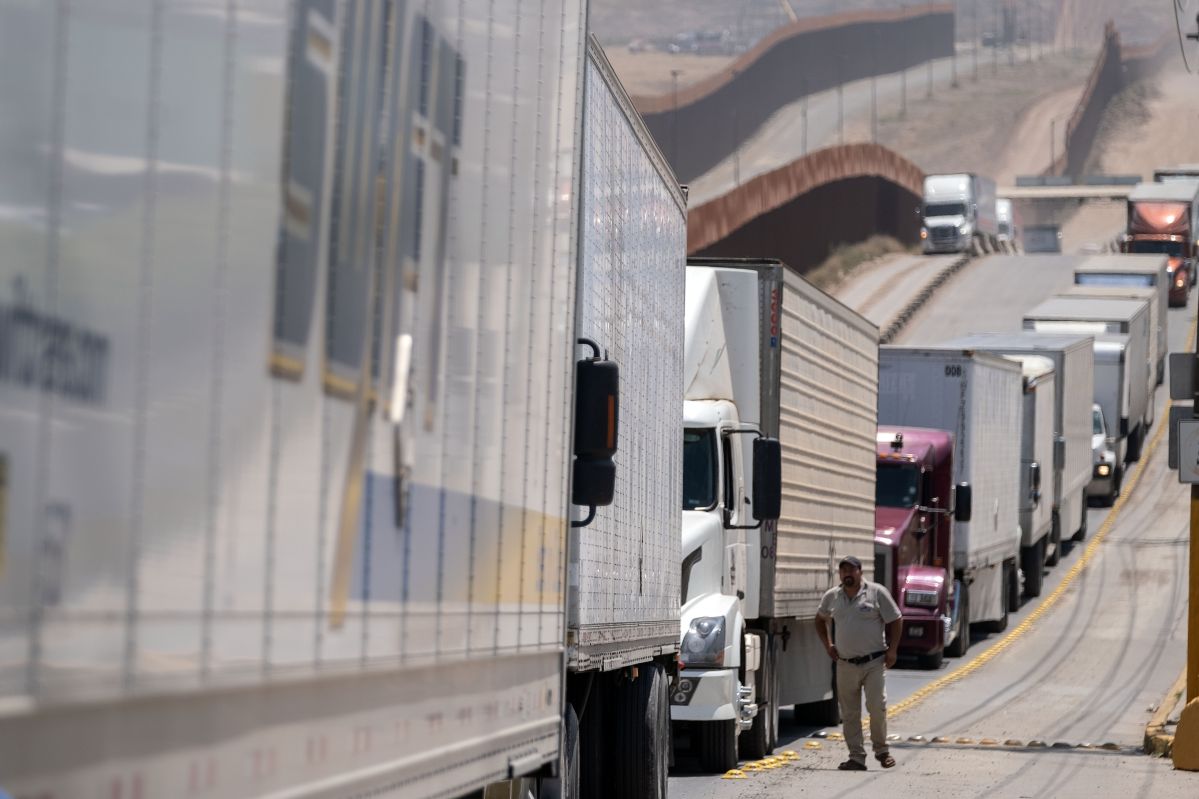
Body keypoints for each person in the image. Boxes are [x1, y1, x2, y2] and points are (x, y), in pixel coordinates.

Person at [815, 555, 902, 771]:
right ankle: (856, 756)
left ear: (860, 572)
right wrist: (828, 646)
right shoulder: (832, 596)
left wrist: (892, 650)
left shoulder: (876, 593)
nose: (847, 574)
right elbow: (819, 619)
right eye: (843, 571)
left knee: (876, 706)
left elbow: (896, 620)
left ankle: (882, 751)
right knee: (849, 712)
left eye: (851, 570)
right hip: (845, 663)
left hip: (873, 662)